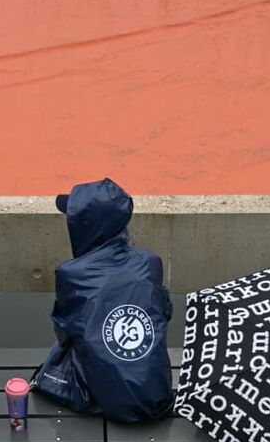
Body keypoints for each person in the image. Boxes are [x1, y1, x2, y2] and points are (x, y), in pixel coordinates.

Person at [34, 178, 173, 422]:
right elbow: (163, 314)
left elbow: (64, 333)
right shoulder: (151, 263)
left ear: (85, 224)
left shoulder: (71, 274)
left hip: (103, 398)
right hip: (155, 394)